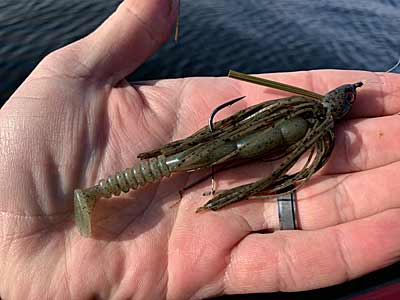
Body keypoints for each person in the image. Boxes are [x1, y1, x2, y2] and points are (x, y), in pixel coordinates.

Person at [1, 0, 399, 299]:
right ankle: (99, 194)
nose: (346, 97)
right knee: (206, 152)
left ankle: (103, 193)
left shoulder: (311, 118)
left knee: (218, 150)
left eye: (346, 98)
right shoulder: (314, 118)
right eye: (346, 97)